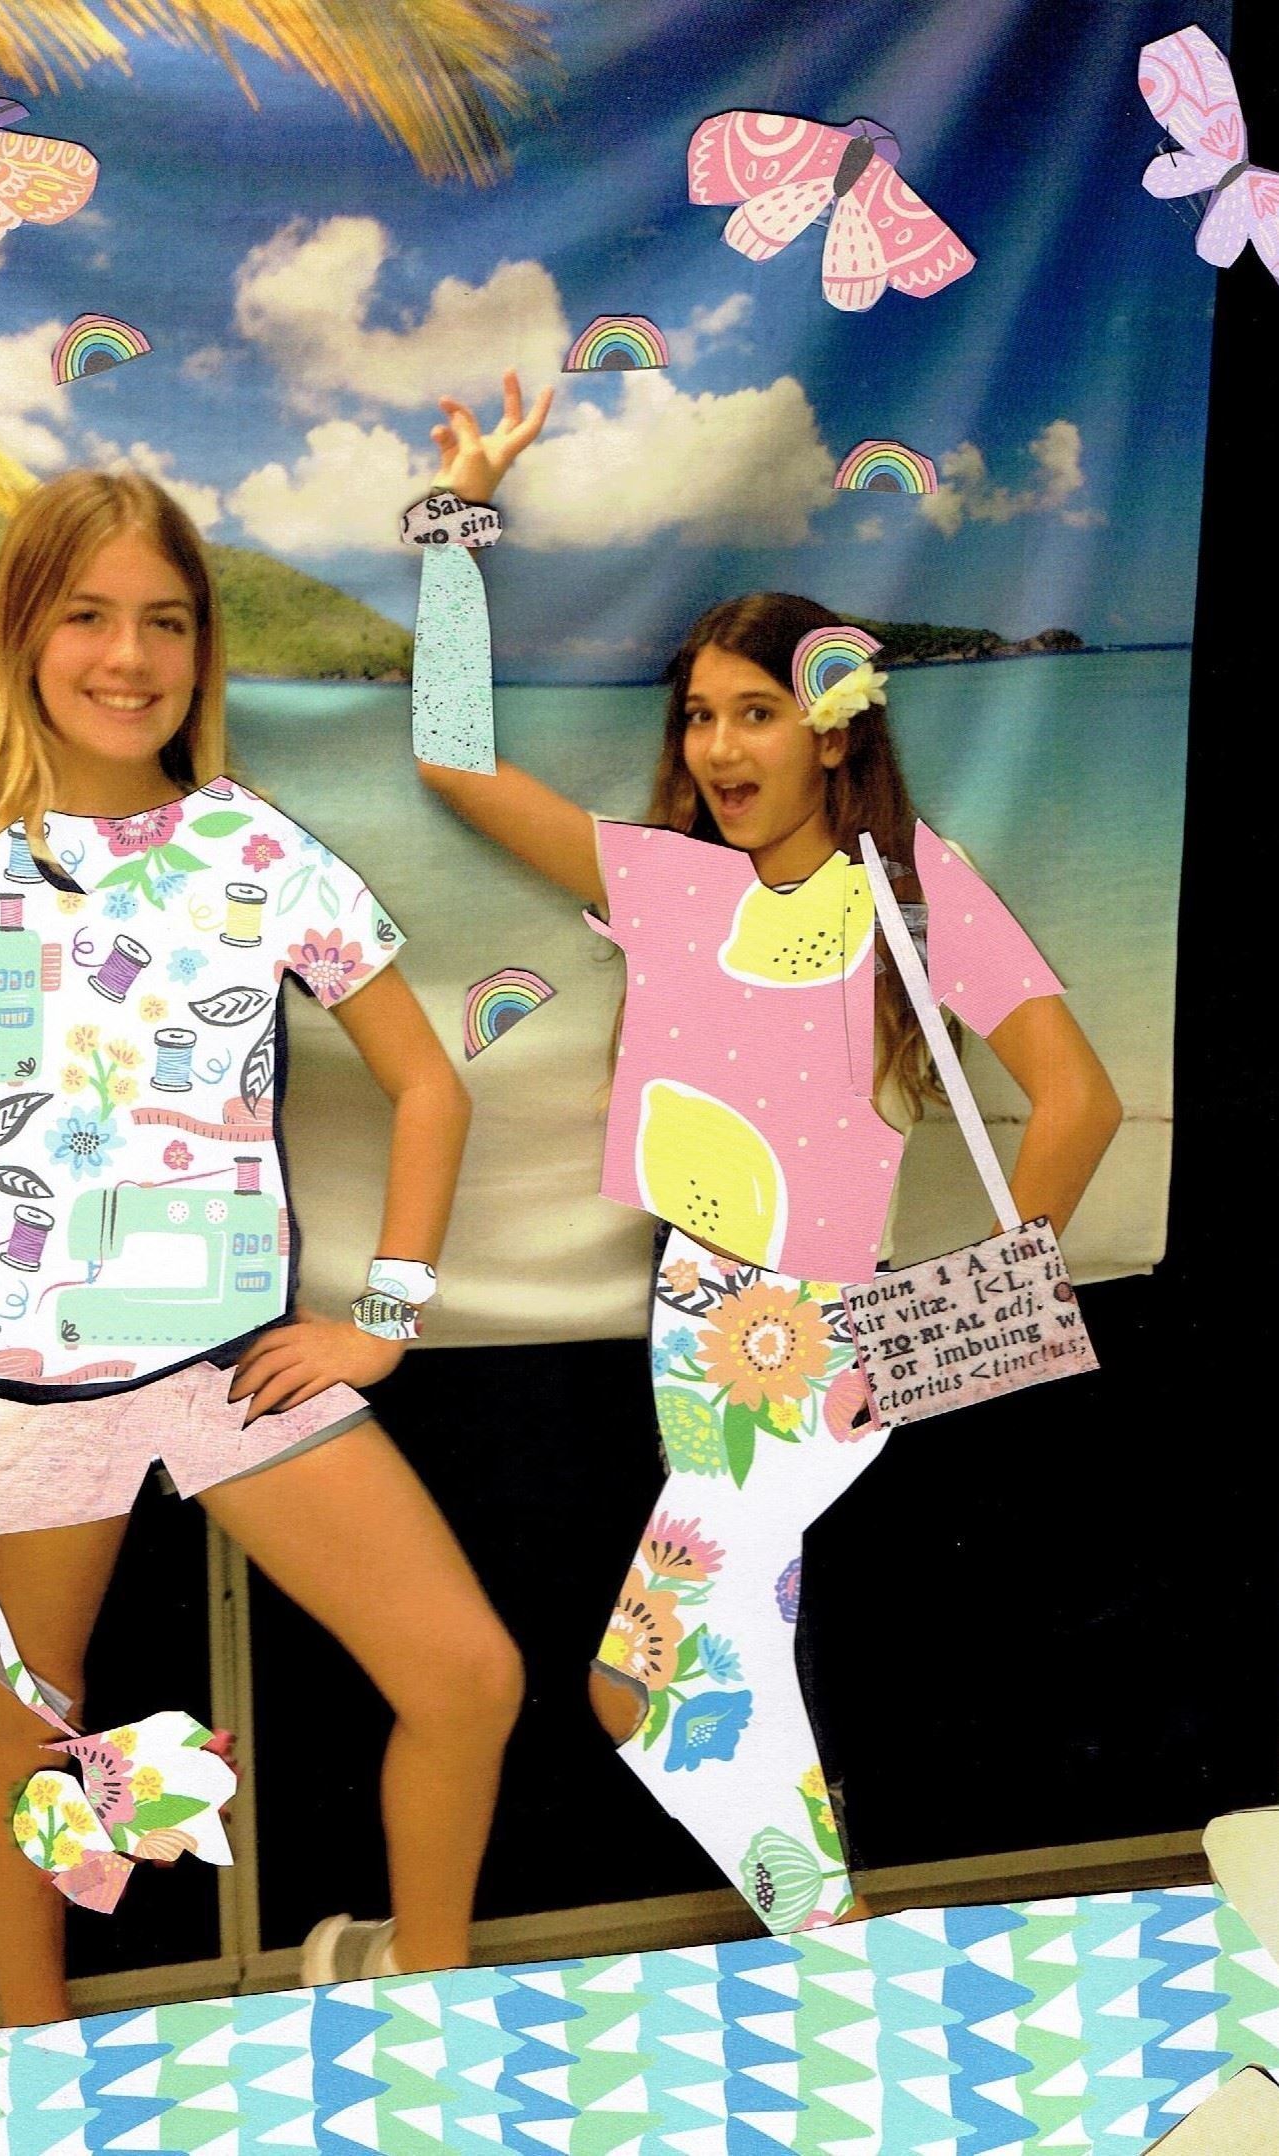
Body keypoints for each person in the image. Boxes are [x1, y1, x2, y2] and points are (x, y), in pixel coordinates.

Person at [412, 372, 1123, 1933]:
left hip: (819, 1334)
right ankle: (835, 1955)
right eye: (699, 715)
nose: (723, 745)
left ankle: (831, 1946)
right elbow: (455, 766)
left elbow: (1075, 1099)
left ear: (828, 729)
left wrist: (961, 1312)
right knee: (737, 1658)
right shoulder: (668, 885)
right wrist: (455, 529)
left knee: (637, 1678)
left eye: (758, 711)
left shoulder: (908, 884)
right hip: (692, 1314)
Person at [0, 469, 525, 2025]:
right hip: (18, 1392)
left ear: (203, 649)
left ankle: (427, 2002)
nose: (128, 655)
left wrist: (383, 1319)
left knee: (467, 1676)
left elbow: (431, 1088)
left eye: (164, 621)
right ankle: (35, 2057)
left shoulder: (251, 850)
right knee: (22, 1742)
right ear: (23, 631)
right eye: (87, 615)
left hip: (231, 1365)